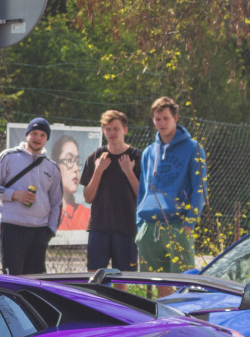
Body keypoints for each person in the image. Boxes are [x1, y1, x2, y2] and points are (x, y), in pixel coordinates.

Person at [137, 96, 207, 295]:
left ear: (175, 117)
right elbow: (143, 189)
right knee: (159, 283)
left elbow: (199, 189)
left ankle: (185, 324)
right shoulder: (148, 152)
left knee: (184, 285)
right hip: (150, 225)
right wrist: (139, 224)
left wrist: (189, 223)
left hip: (178, 224)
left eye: (166, 118)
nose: (161, 123)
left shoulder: (193, 148)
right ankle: (165, 324)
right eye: (157, 119)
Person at [0, 117, 63, 275]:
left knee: (37, 282)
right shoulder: (8, 157)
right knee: (13, 278)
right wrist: (14, 195)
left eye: (42, 135)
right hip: (12, 228)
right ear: (27, 135)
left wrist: (50, 230)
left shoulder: (52, 167)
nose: (37, 138)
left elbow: (56, 202)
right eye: (34, 133)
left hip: (40, 232)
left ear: (47, 139)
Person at [80, 110, 141, 276]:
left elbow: (141, 195)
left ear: (125, 130)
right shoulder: (95, 157)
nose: (112, 133)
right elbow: (88, 197)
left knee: (122, 280)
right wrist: (98, 171)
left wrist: (129, 172)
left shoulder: (136, 156)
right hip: (99, 227)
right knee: (95, 278)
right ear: (103, 131)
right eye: (108, 129)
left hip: (126, 227)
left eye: (116, 129)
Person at [52, 134, 89, 231]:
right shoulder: (42, 211)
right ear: (55, 166)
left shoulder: (86, 215)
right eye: (69, 160)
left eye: (77, 161)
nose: (76, 168)